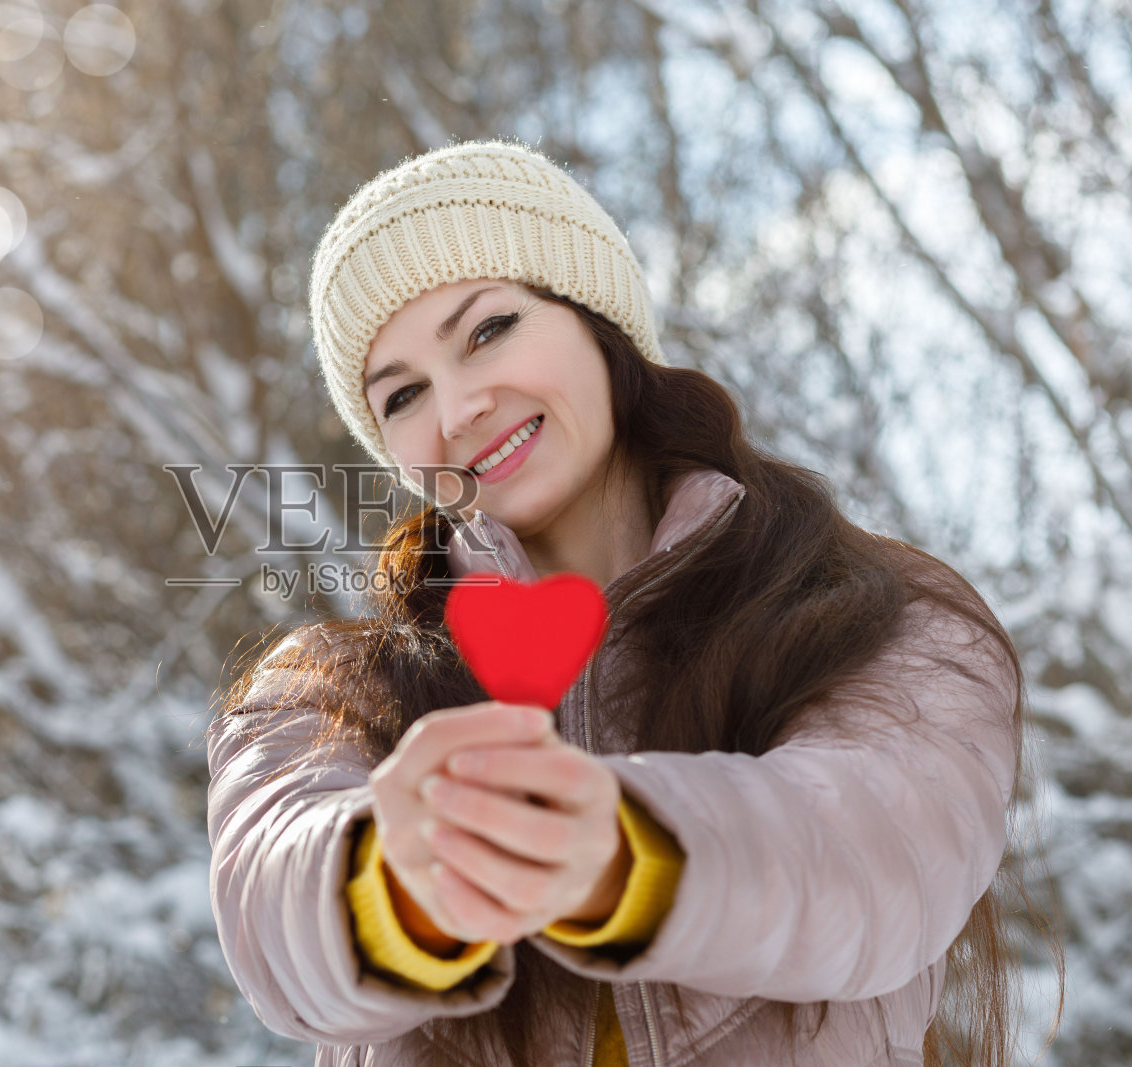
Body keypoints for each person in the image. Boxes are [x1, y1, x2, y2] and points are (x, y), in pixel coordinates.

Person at [206, 139, 1053, 1067]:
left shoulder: (879, 609)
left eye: (488, 330)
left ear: (596, 317)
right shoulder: (327, 691)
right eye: (402, 393)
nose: (456, 408)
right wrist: (396, 874)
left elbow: (876, 848)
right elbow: (274, 901)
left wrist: (614, 848)